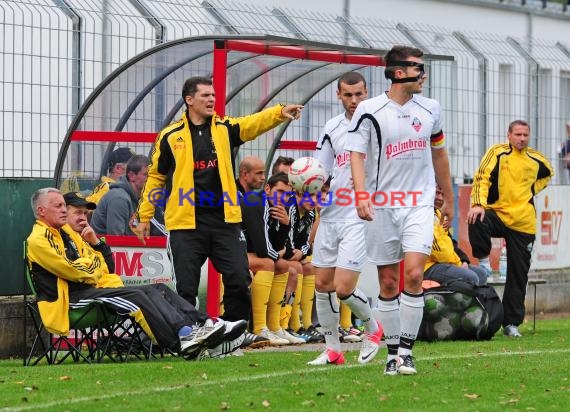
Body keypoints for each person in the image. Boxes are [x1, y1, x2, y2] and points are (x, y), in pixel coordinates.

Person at [132, 76, 303, 324]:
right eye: (205, 95)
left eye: (213, 95)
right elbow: (156, 176)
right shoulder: (170, 136)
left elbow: (251, 124)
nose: (212, 99)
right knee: (186, 288)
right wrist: (144, 216)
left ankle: (231, 332)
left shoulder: (224, 128)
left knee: (239, 277)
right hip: (186, 224)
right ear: (189, 100)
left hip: (224, 221)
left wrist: (279, 113)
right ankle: (189, 335)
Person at [346, 46, 454, 375]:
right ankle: (392, 353)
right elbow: (356, 154)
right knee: (389, 283)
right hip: (381, 205)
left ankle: (407, 351)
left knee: (414, 274)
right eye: (418, 68)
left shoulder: (431, 108)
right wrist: (362, 195)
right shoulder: (369, 109)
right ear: (398, 72)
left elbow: (439, 154)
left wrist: (449, 197)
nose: (424, 74)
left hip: (418, 203)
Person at [26, 188, 228, 361]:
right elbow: (72, 270)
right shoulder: (39, 239)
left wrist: (91, 260)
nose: (63, 210)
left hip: (91, 289)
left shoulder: (68, 234)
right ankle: (180, 342)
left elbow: (100, 265)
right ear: (41, 211)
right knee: (136, 296)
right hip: (69, 301)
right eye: (59, 206)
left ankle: (202, 324)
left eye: (64, 205)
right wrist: (91, 268)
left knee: (156, 288)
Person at [308, 71, 383, 366]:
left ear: (367, 93)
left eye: (359, 94)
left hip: (361, 215)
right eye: (347, 95)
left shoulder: (378, 125)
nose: (353, 101)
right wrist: (311, 187)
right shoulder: (332, 127)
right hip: (330, 214)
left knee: (343, 287)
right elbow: (320, 170)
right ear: (338, 95)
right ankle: (333, 350)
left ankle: (373, 327)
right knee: (322, 284)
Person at [467, 120, 553, 338]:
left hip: (523, 222)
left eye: (525, 134)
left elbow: (548, 173)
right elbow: (482, 177)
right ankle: (485, 263)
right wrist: (479, 203)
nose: (522, 138)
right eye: (518, 134)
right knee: (476, 218)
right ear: (509, 135)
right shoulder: (497, 152)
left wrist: (531, 189)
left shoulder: (536, 159)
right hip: (498, 213)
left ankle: (511, 324)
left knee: (518, 274)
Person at [239, 172, 297, 345]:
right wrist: (278, 253)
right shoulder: (255, 203)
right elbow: (263, 249)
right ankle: (259, 328)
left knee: (283, 266)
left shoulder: (280, 208)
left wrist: (286, 225)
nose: (283, 197)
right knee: (268, 263)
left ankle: (274, 327)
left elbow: (279, 246)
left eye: (288, 194)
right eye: (280, 192)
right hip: (230, 252)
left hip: (249, 252)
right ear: (267, 189)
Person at [424, 185, 488, 286]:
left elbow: (451, 243)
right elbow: (440, 253)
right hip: (429, 266)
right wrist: (457, 264)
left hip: (445, 262)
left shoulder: (439, 214)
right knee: (471, 278)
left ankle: (459, 298)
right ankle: (454, 300)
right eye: (437, 193)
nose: (440, 198)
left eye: (443, 195)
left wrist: (463, 261)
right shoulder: (424, 214)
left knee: (482, 274)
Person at [91, 155, 149, 235]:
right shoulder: (119, 199)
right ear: (131, 176)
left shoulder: (139, 198)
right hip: (103, 247)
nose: (151, 179)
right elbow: (116, 241)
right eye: (146, 174)